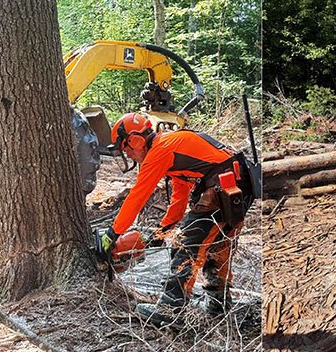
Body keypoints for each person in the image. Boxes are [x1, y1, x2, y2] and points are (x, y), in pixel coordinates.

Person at [96, 113, 256, 327]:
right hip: (237, 182)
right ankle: (219, 303)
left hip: (224, 183)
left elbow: (138, 196)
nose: (129, 155)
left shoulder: (161, 150)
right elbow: (180, 196)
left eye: (127, 149)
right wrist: (163, 230)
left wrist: (113, 232)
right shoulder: (172, 147)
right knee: (218, 243)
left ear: (136, 140)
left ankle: (172, 308)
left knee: (187, 242)